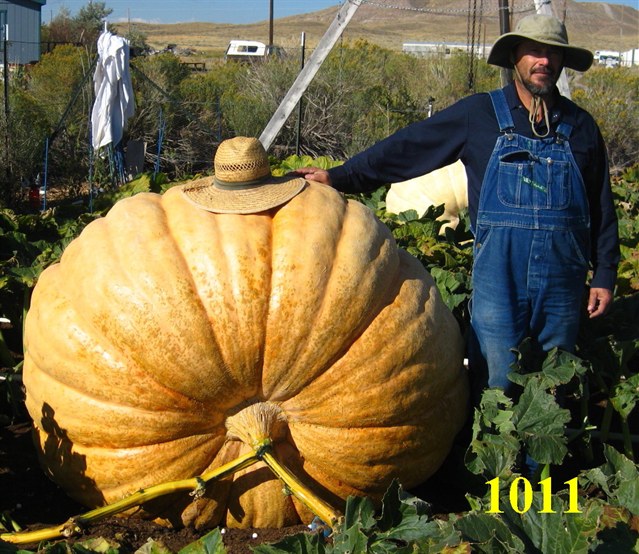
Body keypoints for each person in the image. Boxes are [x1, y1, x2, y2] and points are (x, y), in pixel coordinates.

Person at [295, 14, 619, 398]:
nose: (543, 61)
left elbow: (600, 205)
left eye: (552, 53)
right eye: (534, 50)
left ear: (562, 62)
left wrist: (604, 274)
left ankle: (542, 461)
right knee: (495, 384)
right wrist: (341, 176)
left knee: (554, 386)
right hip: (499, 282)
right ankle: (498, 458)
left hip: (563, 285)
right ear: (515, 57)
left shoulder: (581, 127)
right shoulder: (480, 115)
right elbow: (409, 147)